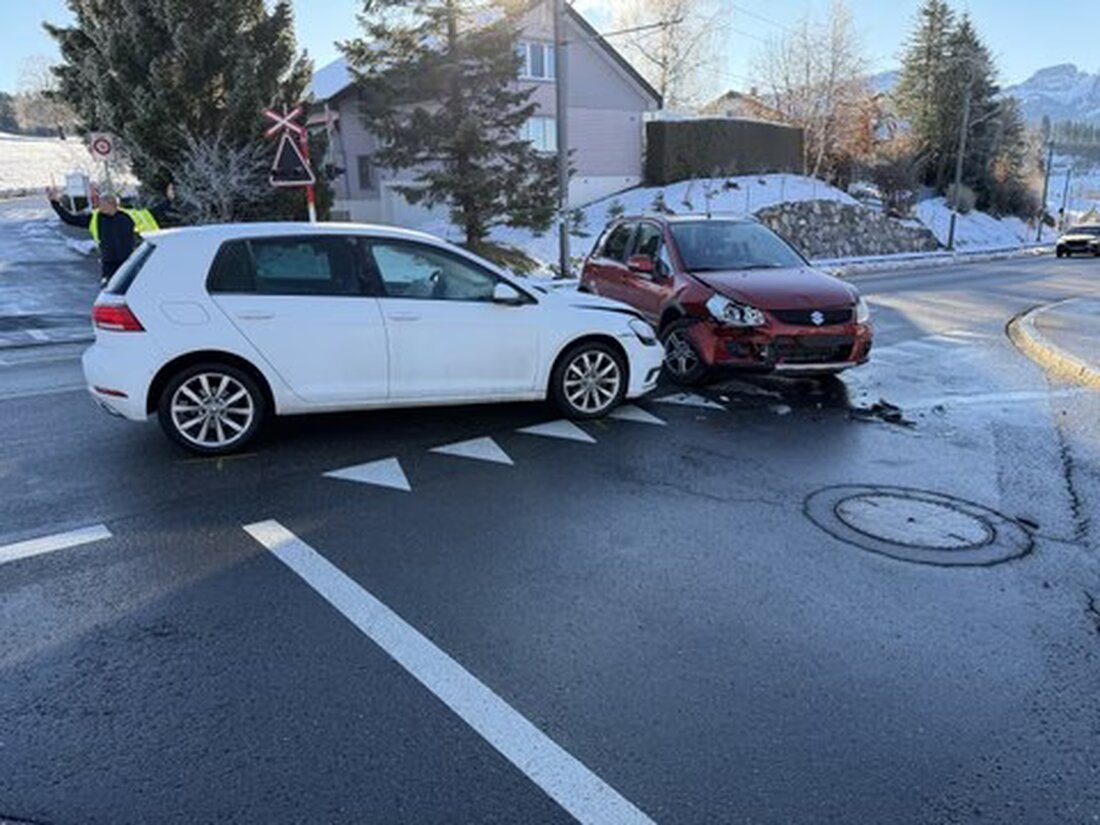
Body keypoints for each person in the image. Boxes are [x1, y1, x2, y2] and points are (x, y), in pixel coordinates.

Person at [47, 185, 175, 286]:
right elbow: (70, 219)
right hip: (108, 264)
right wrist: (55, 203)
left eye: (101, 203)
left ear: (112, 204)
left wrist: (169, 200)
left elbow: (153, 213)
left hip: (128, 262)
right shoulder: (94, 218)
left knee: (129, 291)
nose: (98, 206)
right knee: (109, 292)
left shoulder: (129, 216)